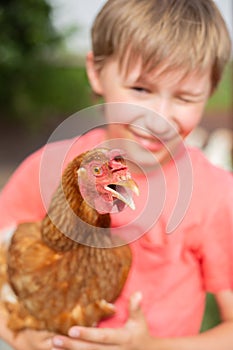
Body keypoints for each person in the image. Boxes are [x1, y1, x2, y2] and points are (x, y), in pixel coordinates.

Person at [0, 0, 232, 349]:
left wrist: (151, 347)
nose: (159, 118)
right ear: (96, 71)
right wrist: (19, 335)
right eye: (141, 89)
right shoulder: (45, 168)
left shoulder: (214, 195)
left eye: (184, 97)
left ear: (209, 93)